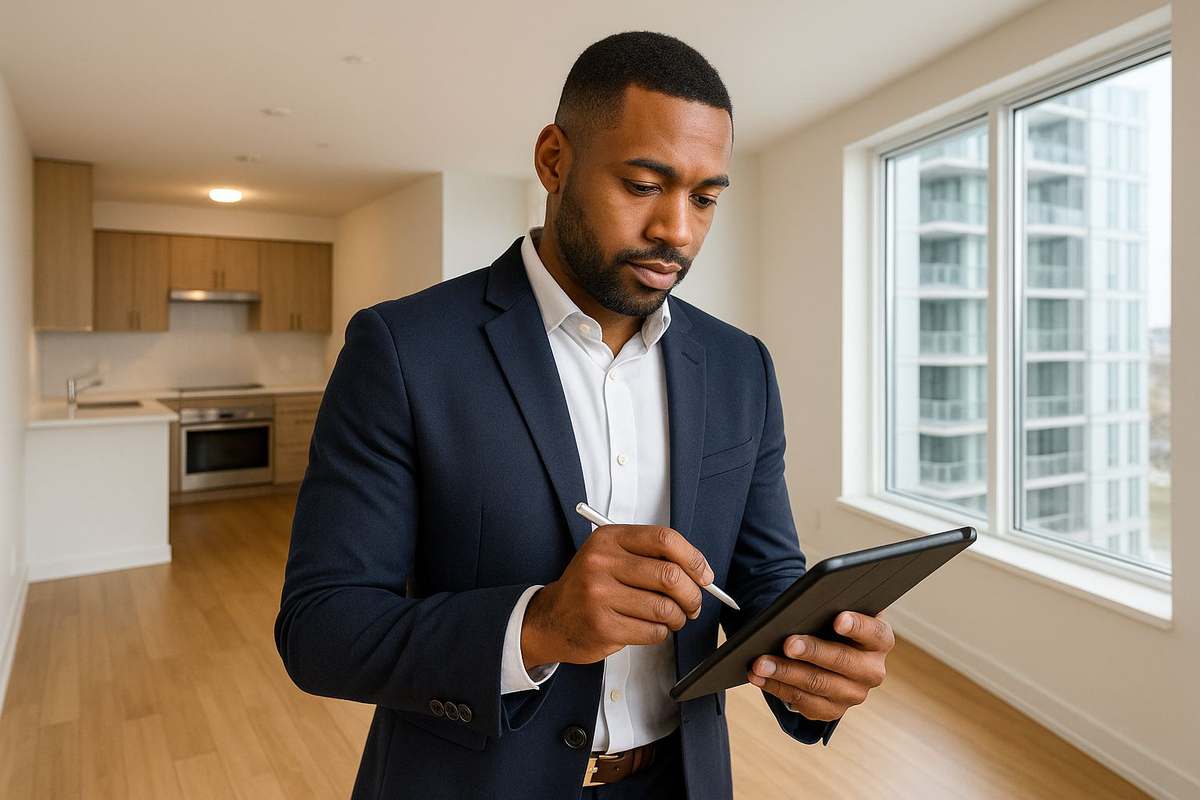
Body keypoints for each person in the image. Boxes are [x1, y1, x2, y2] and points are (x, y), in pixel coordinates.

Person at [274, 30, 895, 800]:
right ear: (554, 160)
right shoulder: (404, 349)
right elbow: (321, 629)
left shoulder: (742, 368)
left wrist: (814, 667)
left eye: (705, 198)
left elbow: (763, 575)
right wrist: (540, 625)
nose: (678, 229)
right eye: (643, 185)